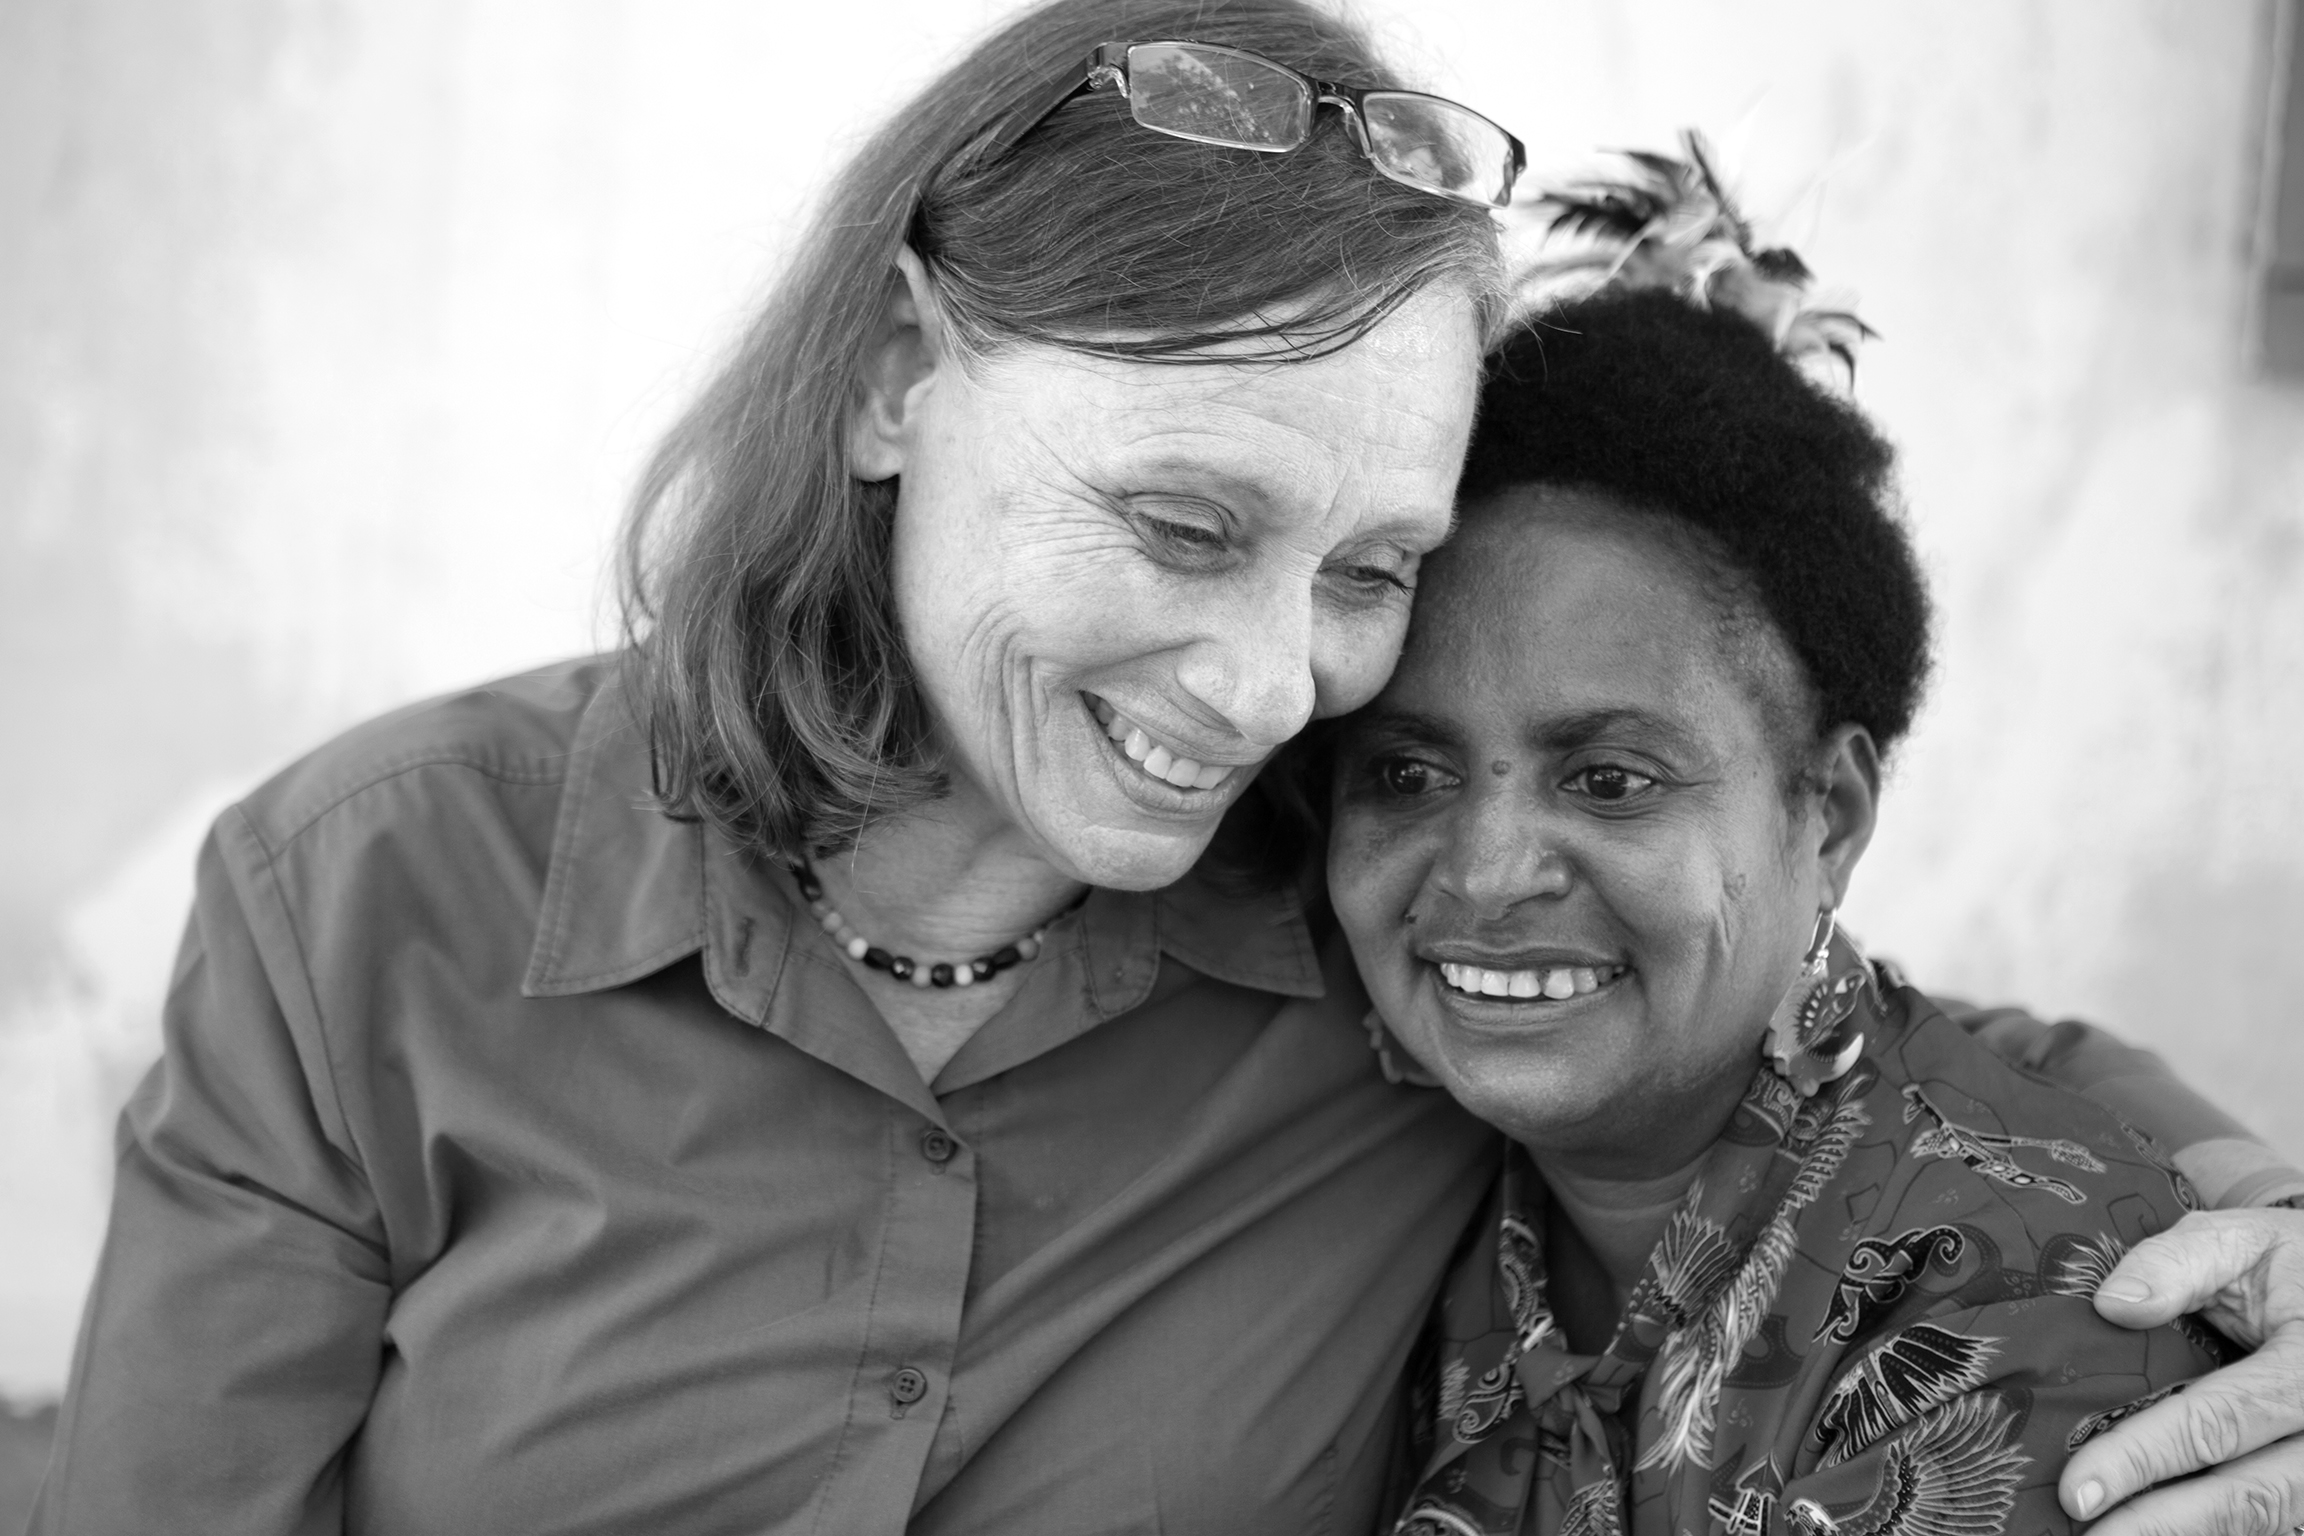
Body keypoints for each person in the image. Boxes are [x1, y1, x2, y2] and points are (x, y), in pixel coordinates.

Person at [26, 8, 2304, 1532]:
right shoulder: (374, 894)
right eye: (1187, 525)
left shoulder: (1377, 903)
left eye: (1371, 565)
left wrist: (2245, 1213)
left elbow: (1807, 1029)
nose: (1258, 685)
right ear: (898, 386)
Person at [1323, 150, 2295, 1535]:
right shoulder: (1414, 1175)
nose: (1483, 874)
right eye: (1404, 771)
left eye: (1608, 778)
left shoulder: (2040, 1313)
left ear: (1826, 814)